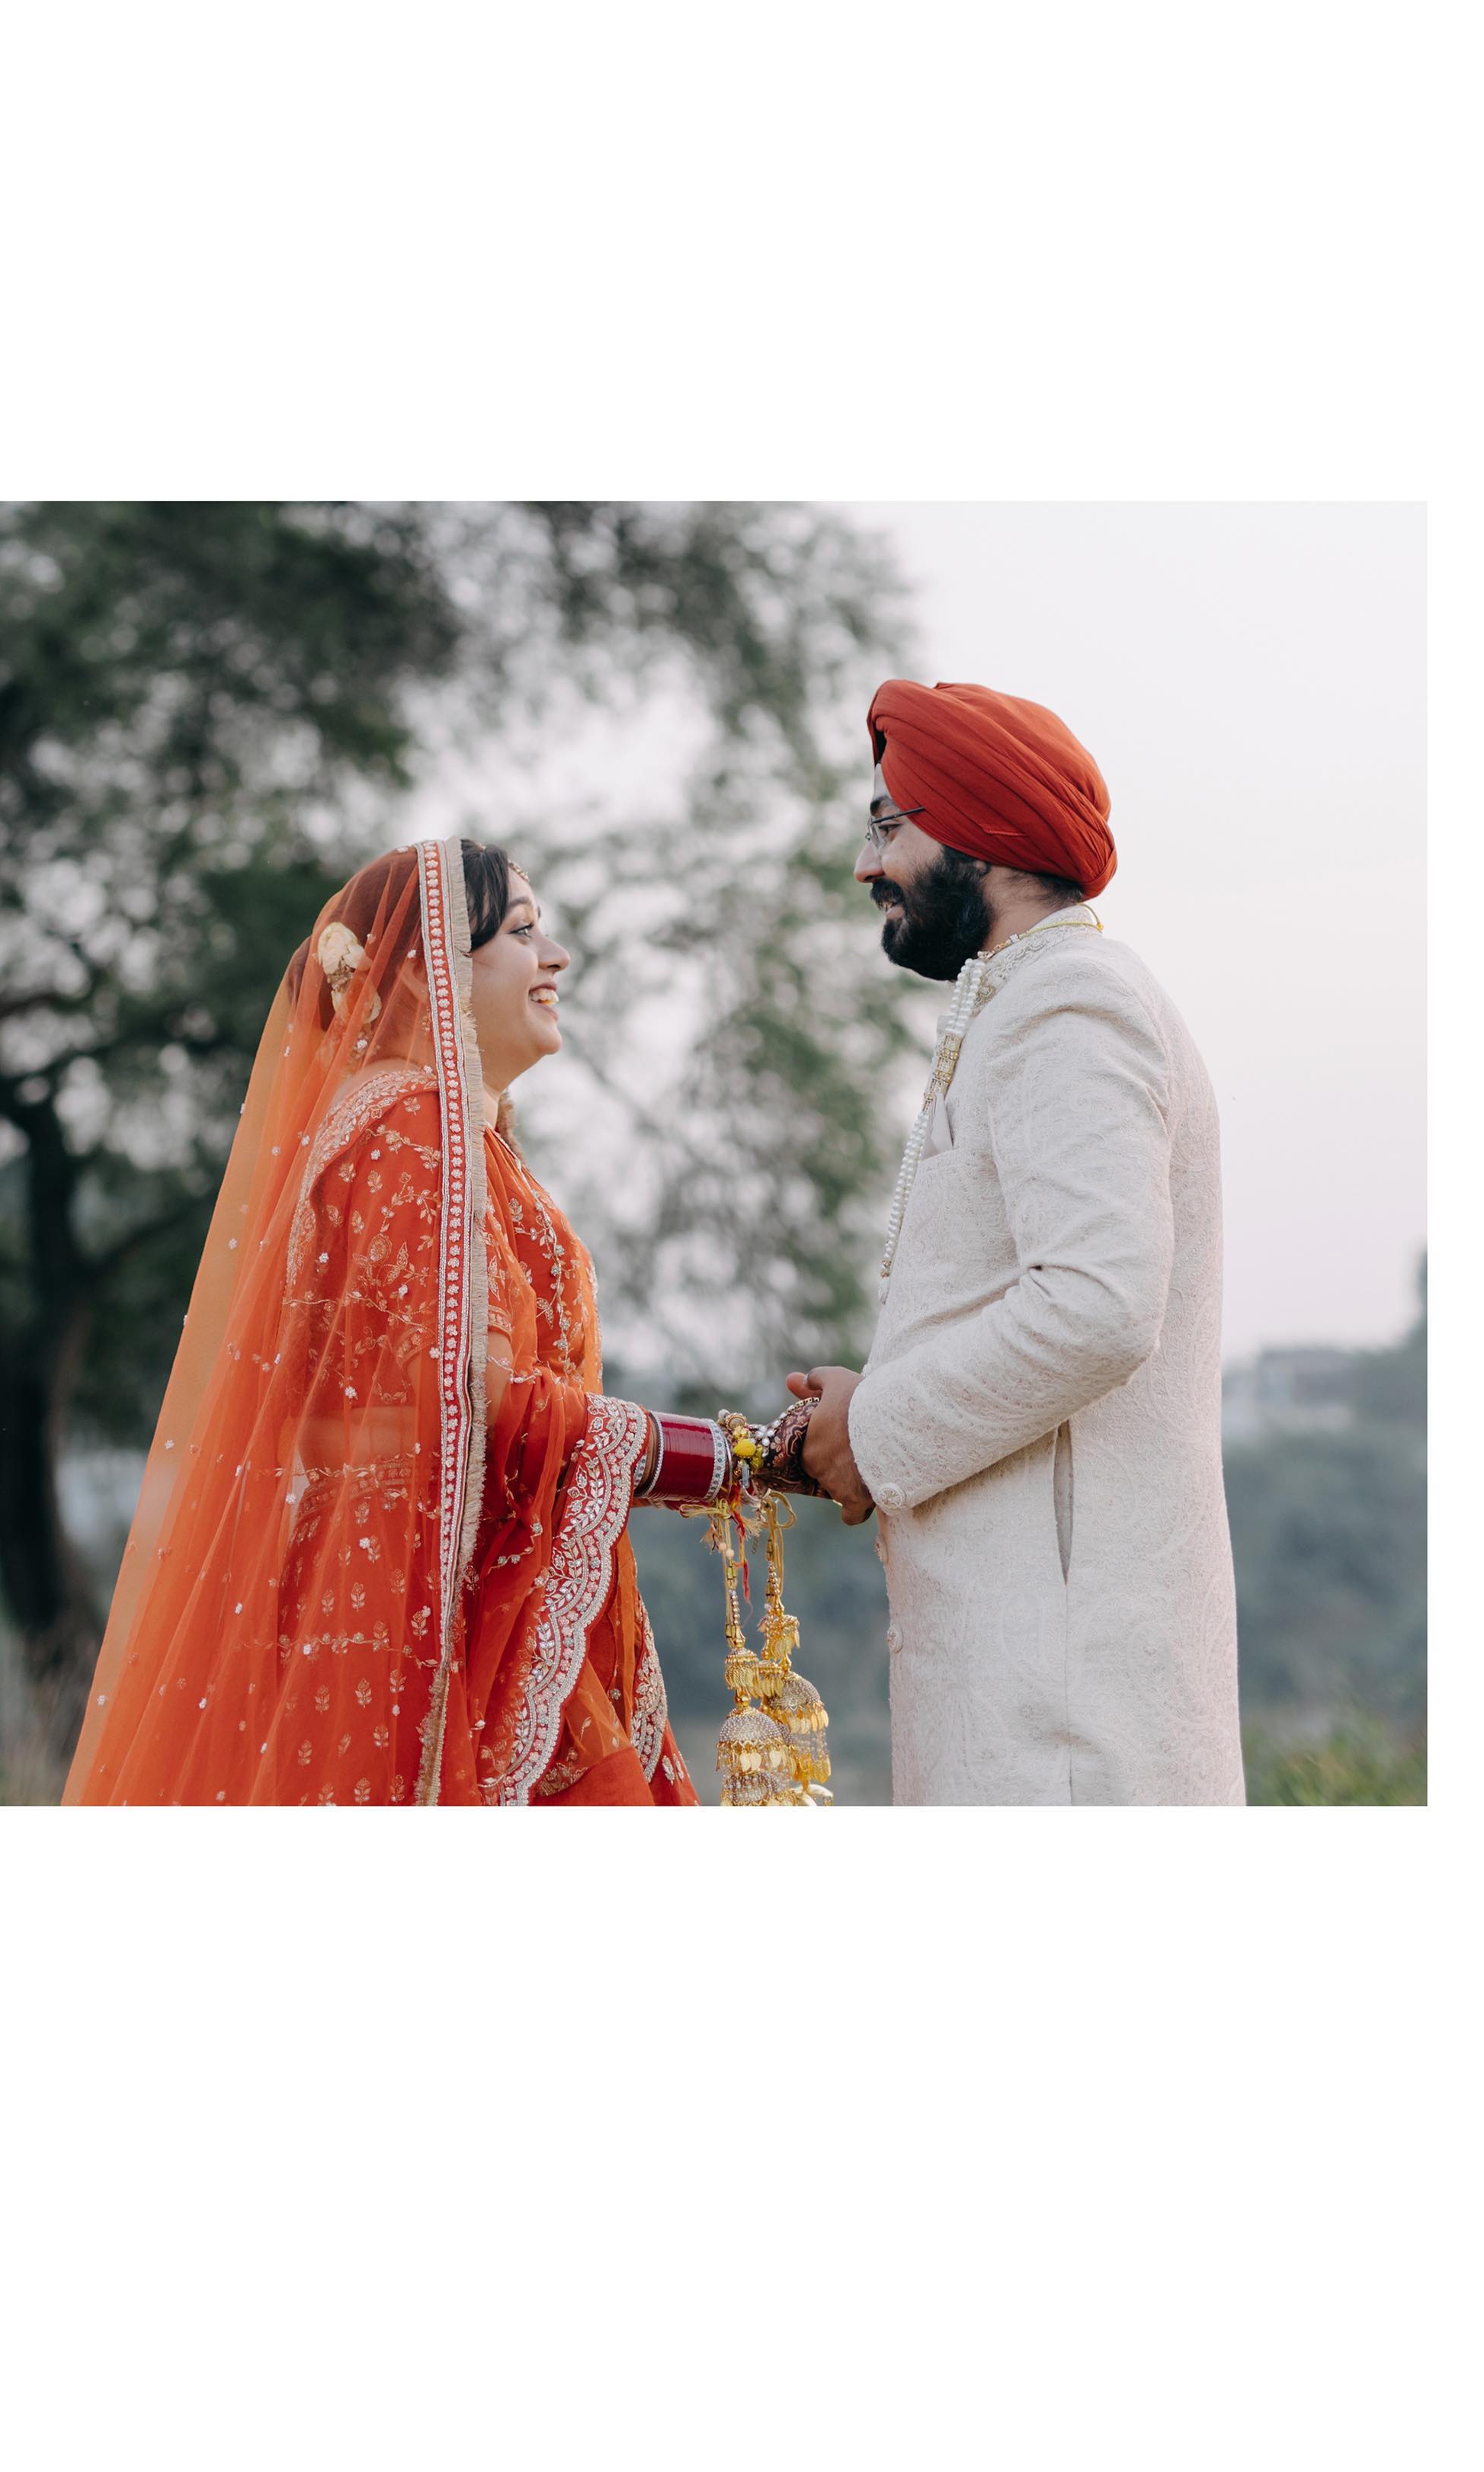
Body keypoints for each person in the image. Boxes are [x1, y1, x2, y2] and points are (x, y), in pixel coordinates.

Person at [66, 838, 761, 1807]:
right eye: (522, 933)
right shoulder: (409, 1137)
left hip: (462, 1599)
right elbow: (481, 1409)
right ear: (421, 973)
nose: (556, 958)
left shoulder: (449, 1137)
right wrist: (737, 1458)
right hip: (429, 1627)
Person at [774, 679, 1244, 1808]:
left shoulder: (1069, 1002)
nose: (865, 864)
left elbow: (1095, 1305)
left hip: (1066, 1728)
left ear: (980, 836)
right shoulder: (1029, 1000)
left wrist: (871, 1426)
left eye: (889, 824)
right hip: (1041, 1702)